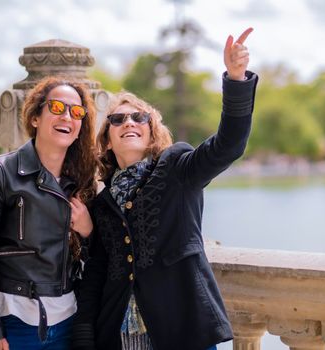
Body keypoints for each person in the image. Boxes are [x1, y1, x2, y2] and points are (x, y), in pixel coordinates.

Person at [71, 28, 259, 350]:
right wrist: (84, 335)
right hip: (119, 336)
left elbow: (228, 145)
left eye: (138, 117)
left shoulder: (178, 168)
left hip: (183, 332)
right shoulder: (102, 203)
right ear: (107, 139)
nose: (128, 122)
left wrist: (236, 79)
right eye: (117, 120)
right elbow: (98, 273)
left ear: (151, 131)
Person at [0, 76, 98, 350]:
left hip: (71, 322)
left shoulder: (83, 180)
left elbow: (98, 257)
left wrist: (88, 231)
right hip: (15, 320)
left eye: (76, 112)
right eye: (57, 108)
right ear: (35, 117)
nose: (67, 117)